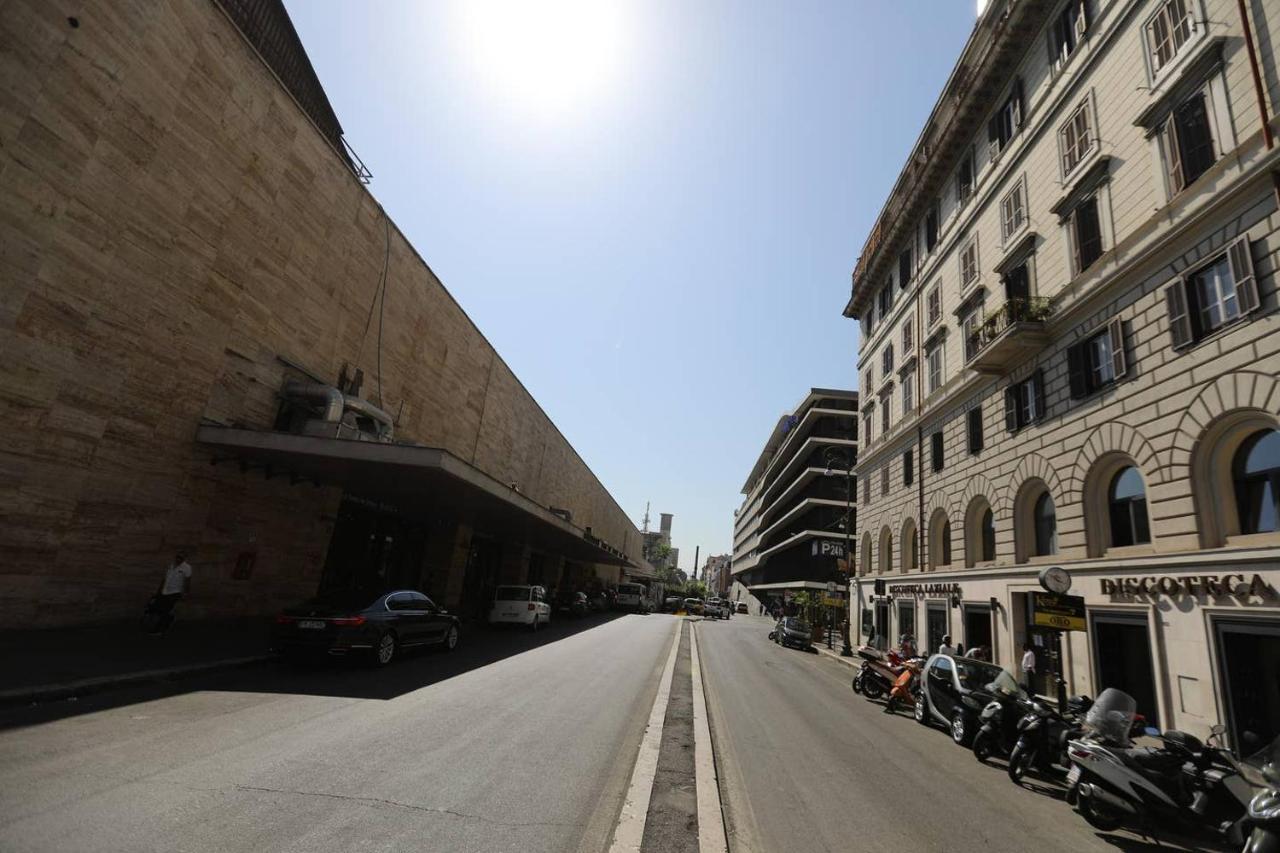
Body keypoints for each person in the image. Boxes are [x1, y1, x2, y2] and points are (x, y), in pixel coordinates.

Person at [149, 552, 192, 634]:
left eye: (181, 557)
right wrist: (159, 590)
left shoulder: (187, 567)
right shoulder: (171, 566)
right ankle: (169, 618)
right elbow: (165, 579)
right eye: (177, 557)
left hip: (175, 592)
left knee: (165, 610)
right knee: (158, 608)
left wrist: (186, 593)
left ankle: (159, 629)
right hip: (165, 591)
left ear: (184, 558)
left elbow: (188, 581)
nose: (178, 559)